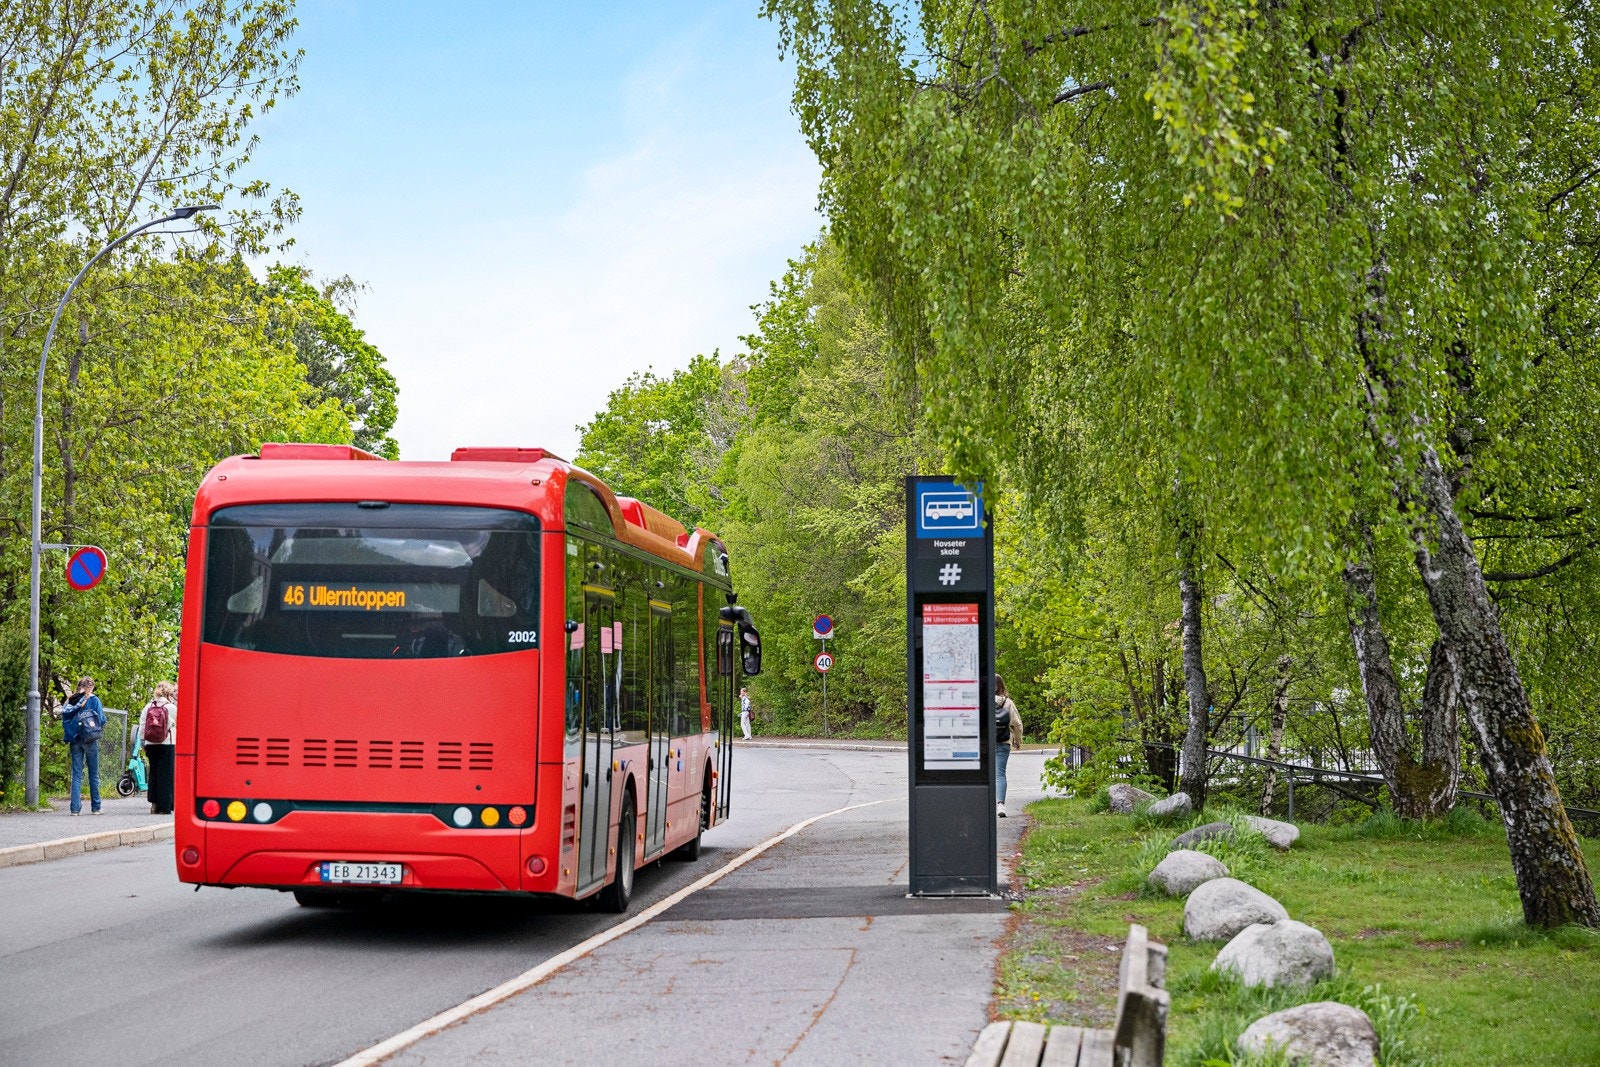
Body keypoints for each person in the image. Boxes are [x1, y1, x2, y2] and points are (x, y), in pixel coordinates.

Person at [57, 676, 106, 815]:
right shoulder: (94, 699)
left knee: (77, 774)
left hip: (74, 739)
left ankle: (75, 809)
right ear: (92, 687)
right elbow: (101, 719)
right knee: (93, 774)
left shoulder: (71, 700)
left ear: (79, 686)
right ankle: (96, 807)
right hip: (90, 740)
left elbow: (65, 718)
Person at [137, 681, 178, 815]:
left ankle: (154, 804)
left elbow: (142, 727)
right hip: (167, 744)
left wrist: (143, 743)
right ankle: (164, 807)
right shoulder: (171, 707)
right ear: (168, 693)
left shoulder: (148, 707)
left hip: (151, 744)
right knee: (166, 775)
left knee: (153, 773)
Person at [994, 674, 1022, 817]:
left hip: (984, 744)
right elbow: (1017, 724)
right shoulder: (1008, 703)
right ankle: (1000, 805)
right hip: (1003, 742)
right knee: (999, 774)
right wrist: (1018, 741)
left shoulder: (981, 702)